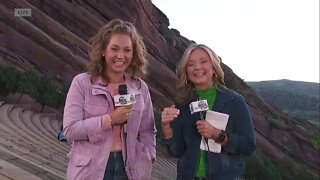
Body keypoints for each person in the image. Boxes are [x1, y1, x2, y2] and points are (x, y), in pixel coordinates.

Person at [63, 19, 156, 180]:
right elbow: (70, 130)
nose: (121, 56)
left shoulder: (140, 88)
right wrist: (110, 119)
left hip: (129, 169)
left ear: (133, 54)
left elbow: (148, 130)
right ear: (103, 51)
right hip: (91, 169)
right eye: (114, 49)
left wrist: (148, 156)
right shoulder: (82, 83)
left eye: (127, 50)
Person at [161, 43, 256, 180]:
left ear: (214, 67)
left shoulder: (235, 101)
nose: (197, 67)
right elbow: (176, 151)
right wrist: (166, 128)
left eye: (204, 61)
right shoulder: (182, 103)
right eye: (191, 64)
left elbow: (249, 146)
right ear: (186, 71)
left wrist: (219, 135)